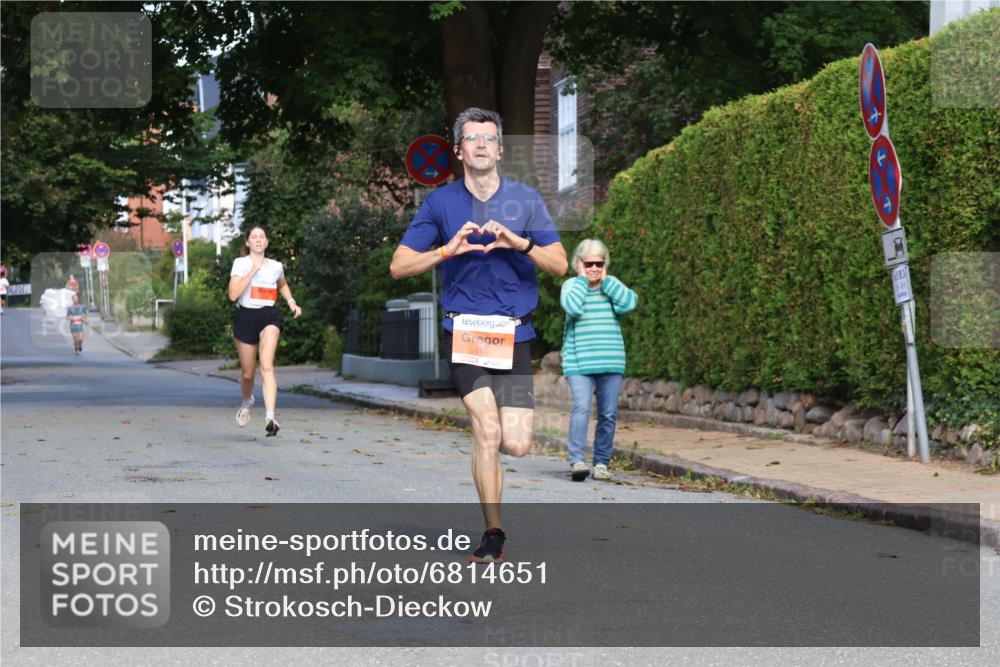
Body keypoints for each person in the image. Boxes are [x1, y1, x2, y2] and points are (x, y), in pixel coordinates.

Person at [390, 107, 568, 563]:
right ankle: (494, 531)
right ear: (459, 150)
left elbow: (561, 264)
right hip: (466, 331)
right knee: (487, 432)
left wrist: (521, 243)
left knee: (518, 444)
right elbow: (399, 265)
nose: (482, 144)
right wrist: (446, 250)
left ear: (501, 149)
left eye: (490, 137)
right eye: (473, 138)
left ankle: (487, 463)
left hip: (513, 333)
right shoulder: (440, 204)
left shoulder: (525, 200)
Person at [560, 239, 637, 482]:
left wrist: (608, 281)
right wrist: (583, 280)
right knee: (582, 407)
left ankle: (602, 462)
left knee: (608, 414)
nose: (594, 268)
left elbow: (630, 303)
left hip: (610, 361)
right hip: (579, 362)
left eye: (599, 263)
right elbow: (573, 308)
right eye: (588, 263)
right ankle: (577, 460)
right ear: (578, 264)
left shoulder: (611, 285)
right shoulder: (571, 285)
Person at [228, 224, 302, 436]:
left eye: (262, 237)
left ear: (267, 242)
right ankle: (246, 401)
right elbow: (233, 295)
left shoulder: (276, 266)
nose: (259, 240)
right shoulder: (240, 264)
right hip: (245, 317)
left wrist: (291, 302)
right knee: (248, 373)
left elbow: (283, 284)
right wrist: (251, 272)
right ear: (247, 242)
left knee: (267, 364)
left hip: (269, 316)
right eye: (254, 236)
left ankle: (270, 417)